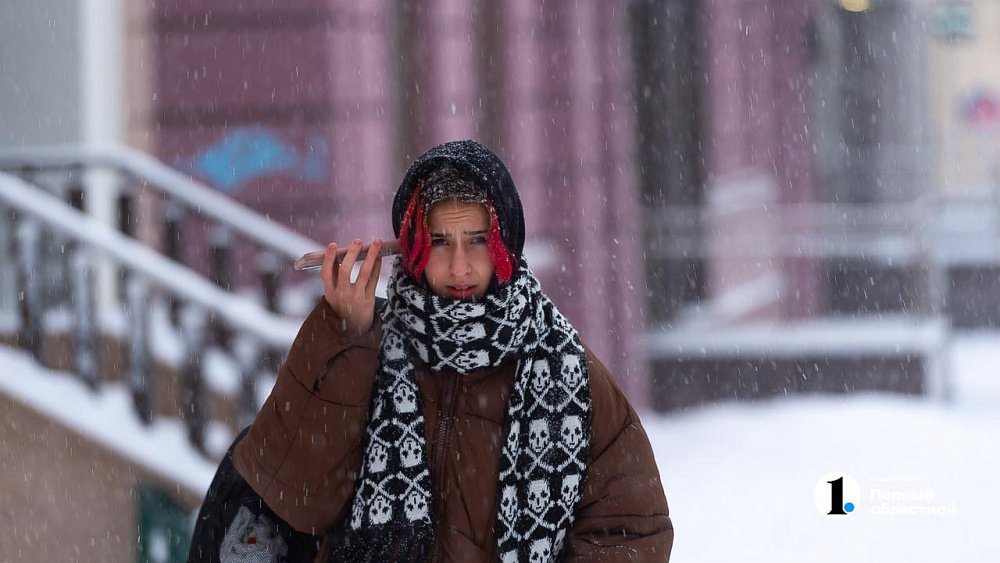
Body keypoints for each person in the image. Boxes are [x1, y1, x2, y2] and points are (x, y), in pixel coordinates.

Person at [191, 140, 673, 562]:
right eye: (440, 241)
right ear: (412, 247)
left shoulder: (566, 371)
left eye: (478, 240)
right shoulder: (362, 343)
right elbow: (293, 491)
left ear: (505, 243)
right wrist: (346, 337)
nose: (459, 265)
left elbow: (628, 530)